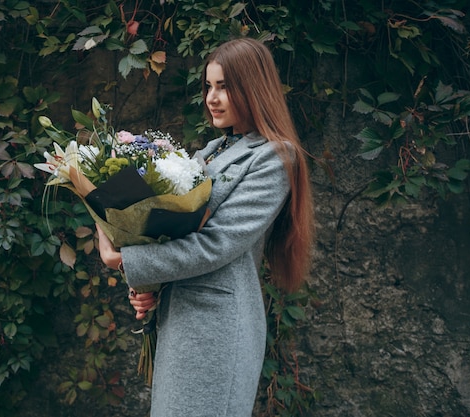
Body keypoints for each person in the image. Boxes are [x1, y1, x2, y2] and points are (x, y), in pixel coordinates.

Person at [96, 37, 314, 417]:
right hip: (180, 321)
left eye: (225, 86)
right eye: (209, 86)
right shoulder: (211, 151)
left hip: (217, 330)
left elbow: (215, 245)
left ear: (253, 88)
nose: (212, 98)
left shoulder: (275, 157)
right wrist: (151, 285)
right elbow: (174, 230)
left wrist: (125, 261)